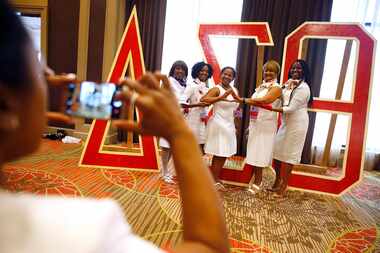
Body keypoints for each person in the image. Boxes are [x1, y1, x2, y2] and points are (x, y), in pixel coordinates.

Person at [0, 2, 229, 253]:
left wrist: (23, 116)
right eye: (40, 66)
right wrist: (180, 133)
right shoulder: (85, 230)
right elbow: (209, 247)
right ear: (6, 104)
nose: (53, 75)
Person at [263, 59, 312, 195]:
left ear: (304, 71)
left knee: (289, 155)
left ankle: (283, 187)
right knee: (278, 152)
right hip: (285, 123)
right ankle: (277, 181)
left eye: (299, 69)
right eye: (293, 68)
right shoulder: (288, 84)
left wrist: (268, 107)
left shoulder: (304, 88)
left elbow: (290, 108)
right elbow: (280, 99)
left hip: (297, 123)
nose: (295, 71)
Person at [232, 60, 282, 193]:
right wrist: (250, 124)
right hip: (255, 124)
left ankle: (258, 182)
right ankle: (255, 179)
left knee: (261, 154)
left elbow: (266, 101)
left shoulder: (277, 88)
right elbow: (255, 106)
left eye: (272, 71)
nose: (268, 73)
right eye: (266, 70)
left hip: (266, 126)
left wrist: (244, 100)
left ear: (277, 73)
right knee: (254, 153)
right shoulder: (260, 87)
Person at [200, 67, 239, 190]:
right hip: (218, 125)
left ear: (233, 78)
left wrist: (237, 124)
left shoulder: (235, 90)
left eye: (230, 75)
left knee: (224, 153)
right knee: (219, 153)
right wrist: (220, 98)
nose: (227, 76)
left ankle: (215, 178)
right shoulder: (217, 89)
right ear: (221, 75)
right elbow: (204, 99)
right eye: (225, 74)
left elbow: (237, 108)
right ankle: (213, 180)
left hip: (229, 125)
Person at [159, 60, 188, 183]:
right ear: (173, 69)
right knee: (166, 146)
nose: (180, 71)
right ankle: (164, 171)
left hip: (180, 119)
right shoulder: (168, 81)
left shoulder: (184, 84)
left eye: (182, 69)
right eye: (177, 68)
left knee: (171, 147)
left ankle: (165, 171)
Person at [181, 61, 213, 152]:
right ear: (196, 71)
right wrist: (197, 104)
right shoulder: (191, 85)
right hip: (191, 121)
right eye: (202, 70)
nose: (204, 73)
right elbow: (180, 103)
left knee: (200, 149)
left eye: (207, 71)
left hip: (202, 122)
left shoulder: (207, 88)